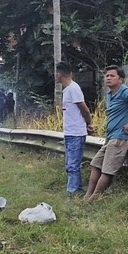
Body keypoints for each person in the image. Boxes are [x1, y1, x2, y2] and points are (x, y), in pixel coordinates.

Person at [84, 65, 128, 202]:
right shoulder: (110, 94)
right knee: (95, 164)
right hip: (111, 137)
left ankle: (94, 199)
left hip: (121, 138)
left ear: (120, 79)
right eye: (106, 76)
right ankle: (87, 195)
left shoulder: (125, 91)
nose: (108, 78)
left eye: (112, 76)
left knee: (107, 170)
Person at [55, 62, 94, 196]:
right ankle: (76, 188)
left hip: (76, 133)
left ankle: (73, 192)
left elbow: (84, 109)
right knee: (70, 165)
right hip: (70, 132)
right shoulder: (67, 90)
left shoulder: (73, 88)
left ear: (58, 75)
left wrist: (89, 124)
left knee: (73, 165)